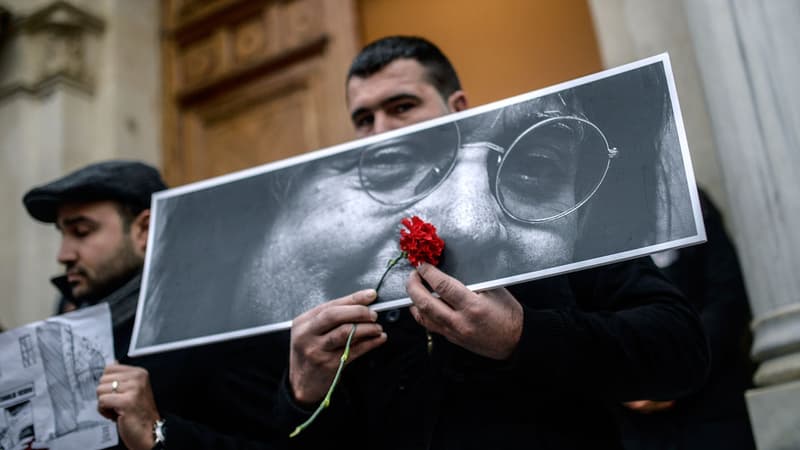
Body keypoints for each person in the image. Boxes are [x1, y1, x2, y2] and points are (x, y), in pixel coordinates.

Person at [271, 36, 710, 449]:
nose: (380, 132)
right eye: (364, 120)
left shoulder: (546, 205)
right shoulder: (353, 239)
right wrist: (303, 393)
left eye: (401, 107)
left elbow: (680, 349)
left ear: (457, 107)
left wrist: (522, 336)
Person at [22, 160, 288, 450]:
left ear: (144, 230)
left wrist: (157, 433)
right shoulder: (70, 316)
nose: (63, 254)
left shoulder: (217, 322)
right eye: (62, 233)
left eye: (82, 231)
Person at [619, 187, 757, 450]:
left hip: (712, 402)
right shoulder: (584, 211)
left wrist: (678, 372)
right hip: (635, 421)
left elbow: (727, 295)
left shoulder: (685, 196)